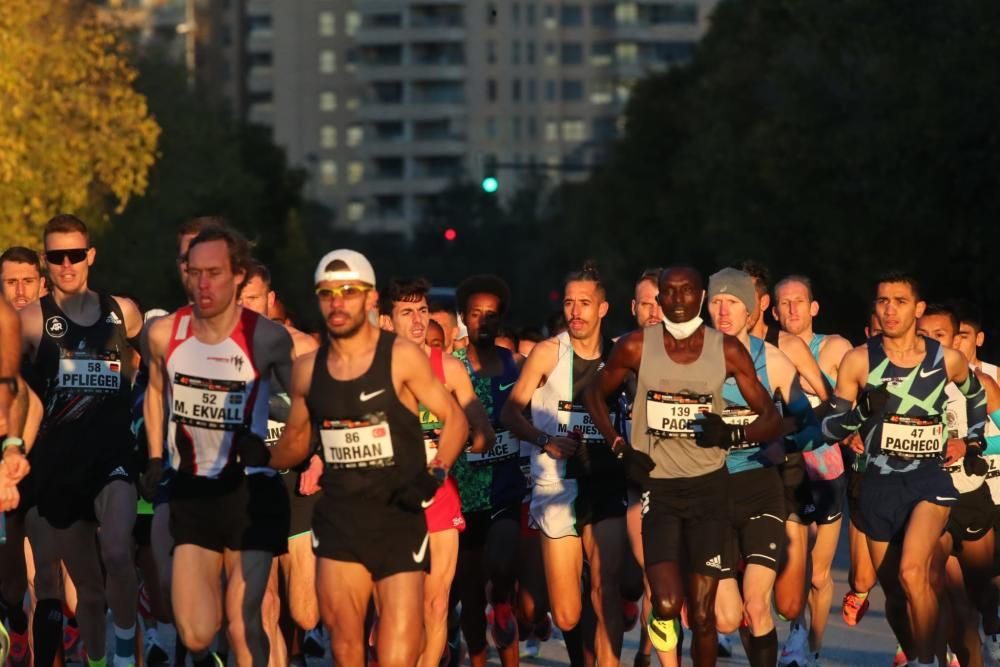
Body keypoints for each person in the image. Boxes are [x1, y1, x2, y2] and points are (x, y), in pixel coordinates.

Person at [242, 249, 469, 667]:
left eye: (348, 291)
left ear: (369, 300)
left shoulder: (400, 356)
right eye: (327, 293)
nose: (337, 301)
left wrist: (434, 475)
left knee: (397, 652)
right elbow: (295, 442)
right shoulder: (309, 368)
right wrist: (255, 454)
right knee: (346, 647)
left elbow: (456, 421)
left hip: (397, 518)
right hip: (339, 521)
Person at [583, 266, 783, 667]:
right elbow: (592, 394)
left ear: (700, 298)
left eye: (687, 291)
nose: (678, 300)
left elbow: (771, 417)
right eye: (669, 293)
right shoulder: (637, 346)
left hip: (710, 489)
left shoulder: (725, 348)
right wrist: (620, 447)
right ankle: (663, 629)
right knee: (668, 602)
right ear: (659, 299)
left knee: (706, 614)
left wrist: (731, 435)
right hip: (659, 488)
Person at [143, 224, 294, 666]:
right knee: (193, 632)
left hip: (251, 490)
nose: (203, 283)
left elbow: (302, 403)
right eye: (195, 272)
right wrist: (155, 455)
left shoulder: (266, 338)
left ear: (238, 275)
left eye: (214, 272)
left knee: (243, 622)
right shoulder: (164, 334)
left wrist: (283, 452)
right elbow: (155, 391)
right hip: (193, 490)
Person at [821, 272, 986, 667]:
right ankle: (917, 653)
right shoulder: (859, 359)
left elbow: (976, 396)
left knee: (915, 572)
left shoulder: (945, 358)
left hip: (928, 479)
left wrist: (970, 441)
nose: (890, 309)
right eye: (882, 301)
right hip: (877, 483)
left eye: (899, 301)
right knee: (896, 593)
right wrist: (861, 413)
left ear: (918, 308)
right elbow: (830, 427)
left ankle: (927, 661)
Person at [18, 214, 143, 667]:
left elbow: (161, 371)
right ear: (46, 261)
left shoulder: (123, 313)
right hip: (60, 466)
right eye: (56, 256)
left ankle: (126, 653)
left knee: (115, 548)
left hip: (113, 457)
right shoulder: (31, 321)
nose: (67, 264)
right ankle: (95, 660)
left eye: (75, 255)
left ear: (90, 255)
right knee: (87, 591)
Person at [502, 263, 630, 666]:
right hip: (556, 485)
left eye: (585, 303)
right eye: (571, 302)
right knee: (567, 612)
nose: (576, 311)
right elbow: (510, 413)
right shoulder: (547, 353)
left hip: (604, 480)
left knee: (605, 586)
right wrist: (545, 439)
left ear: (603, 309)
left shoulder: (622, 356)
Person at [707, 268, 822, 667]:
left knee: (758, 605)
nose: (723, 311)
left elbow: (805, 418)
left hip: (760, 485)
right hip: (710, 490)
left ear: (752, 310)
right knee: (725, 616)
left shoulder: (770, 358)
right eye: (716, 302)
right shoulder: (690, 358)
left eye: (733, 303)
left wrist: (779, 440)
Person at [378, 276, 494, 667]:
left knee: (436, 602)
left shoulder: (446, 367)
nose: (416, 321)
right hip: (386, 501)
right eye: (406, 312)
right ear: (385, 321)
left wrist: (476, 433)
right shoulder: (370, 370)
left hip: (440, 493)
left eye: (422, 311)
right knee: (393, 611)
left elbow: (479, 422)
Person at [238, 261, 323, 666]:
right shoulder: (219, 349)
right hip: (248, 485)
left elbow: (330, 411)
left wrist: (320, 457)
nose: (245, 306)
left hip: (298, 482)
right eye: (238, 299)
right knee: (264, 600)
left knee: (305, 610)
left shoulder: (302, 346)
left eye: (252, 298)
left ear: (270, 300)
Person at [771, 275, 853, 665]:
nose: (792, 309)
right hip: (786, 471)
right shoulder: (765, 351)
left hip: (827, 470)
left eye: (799, 301)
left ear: (813, 307)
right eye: (784, 303)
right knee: (793, 569)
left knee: (820, 576)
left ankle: (814, 645)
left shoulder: (835, 347)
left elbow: (859, 398)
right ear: (772, 311)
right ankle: (798, 637)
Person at [917, 304, 1000, 667]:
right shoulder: (902, 383)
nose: (933, 344)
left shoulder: (982, 384)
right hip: (928, 500)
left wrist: (968, 445)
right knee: (936, 585)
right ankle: (930, 658)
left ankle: (990, 623)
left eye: (940, 337)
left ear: (955, 340)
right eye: (925, 336)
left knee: (981, 594)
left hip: (973, 497)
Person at [450, 274, 525, 667]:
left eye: (491, 315)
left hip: (505, 491)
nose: (483, 321)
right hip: (462, 496)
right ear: (463, 317)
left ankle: (505, 599)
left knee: (500, 566)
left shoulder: (518, 366)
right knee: (471, 596)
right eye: (475, 313)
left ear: (501, 320)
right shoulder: (450, 368)